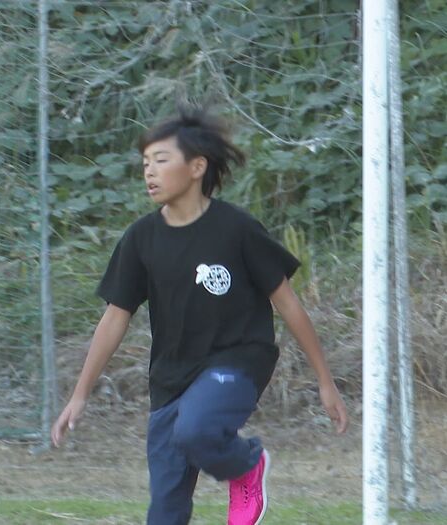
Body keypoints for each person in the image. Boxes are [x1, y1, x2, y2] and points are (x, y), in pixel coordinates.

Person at [51, 107, 348, 525]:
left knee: (197, 430)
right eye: (145, 163)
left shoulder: (237, 229)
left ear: (197, 167)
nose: (149, 172)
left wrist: (325, 381)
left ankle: (246, 465)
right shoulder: (140, 239)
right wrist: (79, 393)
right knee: (165, 513)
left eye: (161, 160)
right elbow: (114, 318)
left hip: (237, 360)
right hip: (170, 378)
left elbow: (289, 305)